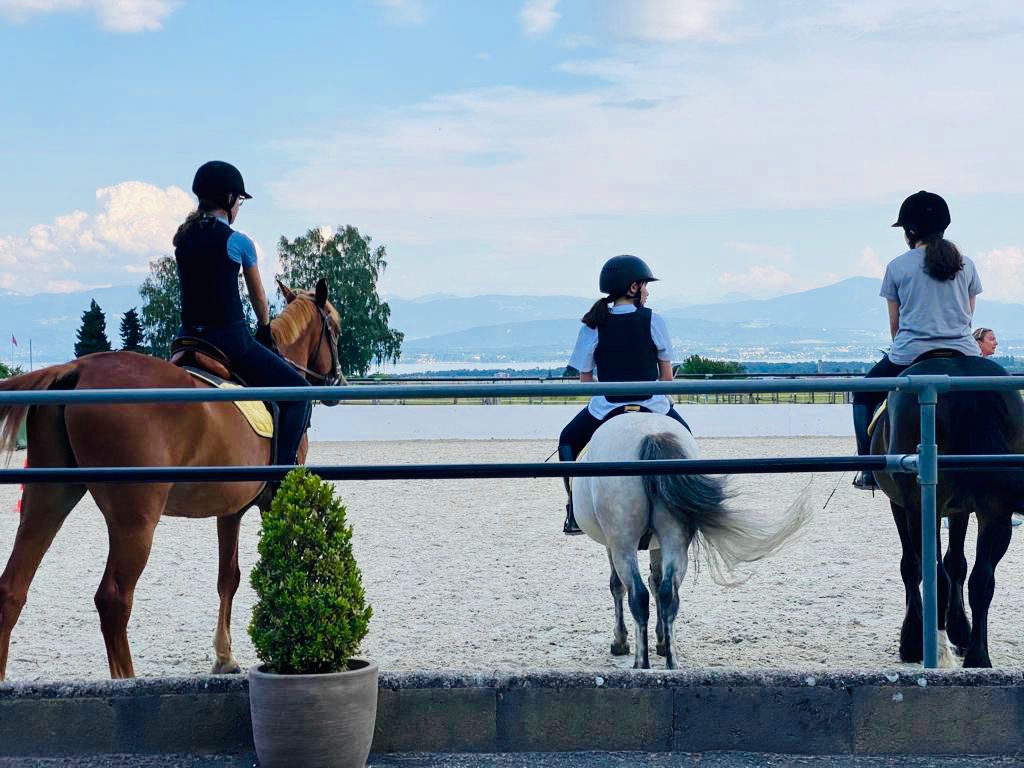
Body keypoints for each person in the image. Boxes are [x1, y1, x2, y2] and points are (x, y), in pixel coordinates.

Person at [173, 161, 311, 492]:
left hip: (187, 341)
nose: (240, 207)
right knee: (300, 395)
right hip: (229, 343)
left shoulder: (181, 238)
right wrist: (264, 328)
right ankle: (280, 478)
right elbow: (258, 298)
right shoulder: (239, 242)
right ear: (230, 198)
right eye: (240, 201)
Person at [851, 191, 982, 490]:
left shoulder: (897, 266)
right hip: (963, 352)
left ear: (910, 232)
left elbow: (895, 327)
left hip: (910, 356)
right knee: (1004, 394)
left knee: (862, 394)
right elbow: (969, 316)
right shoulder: (967, 264)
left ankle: (868, 468)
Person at [558, 255, 689, 534]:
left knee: (567, 439)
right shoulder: (654, 319)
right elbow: (666, 377)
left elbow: (585, 380)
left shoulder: (592, 324)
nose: (648, 291)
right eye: (645, 285)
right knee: (687, 438)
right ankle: (689, 502)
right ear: (633, 288)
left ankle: (572, 509)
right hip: (653, 405)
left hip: (606, 407)